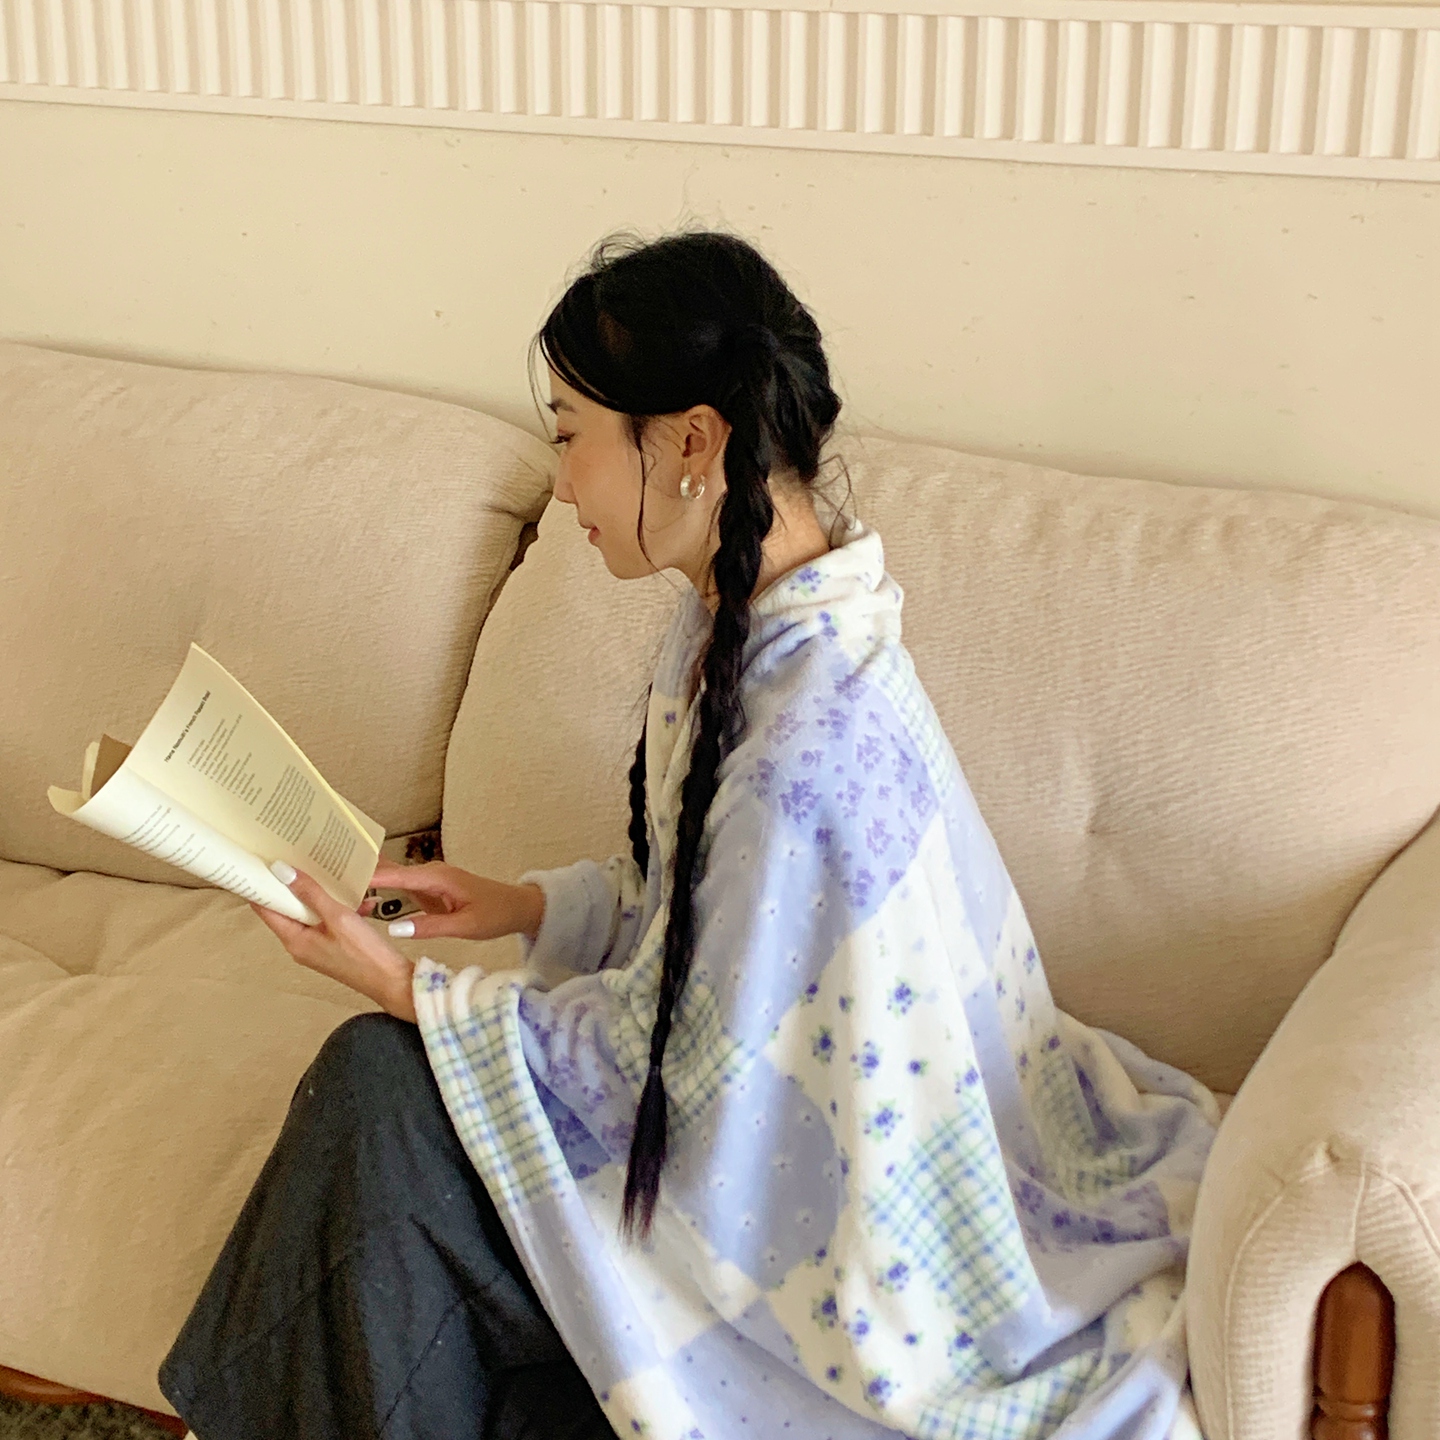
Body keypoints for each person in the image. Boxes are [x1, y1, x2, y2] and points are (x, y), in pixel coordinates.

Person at [159, 227, 1221, 1440]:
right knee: (380, 1129)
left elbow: (687, 1076)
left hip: (815, 1243)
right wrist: (525, 907)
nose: (563, 485)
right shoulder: (763, 627)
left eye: (570, 435)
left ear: (691, 443)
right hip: (765, 1152)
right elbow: (713, 927)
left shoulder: (806, 745)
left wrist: (414, 991)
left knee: (376, 1096)